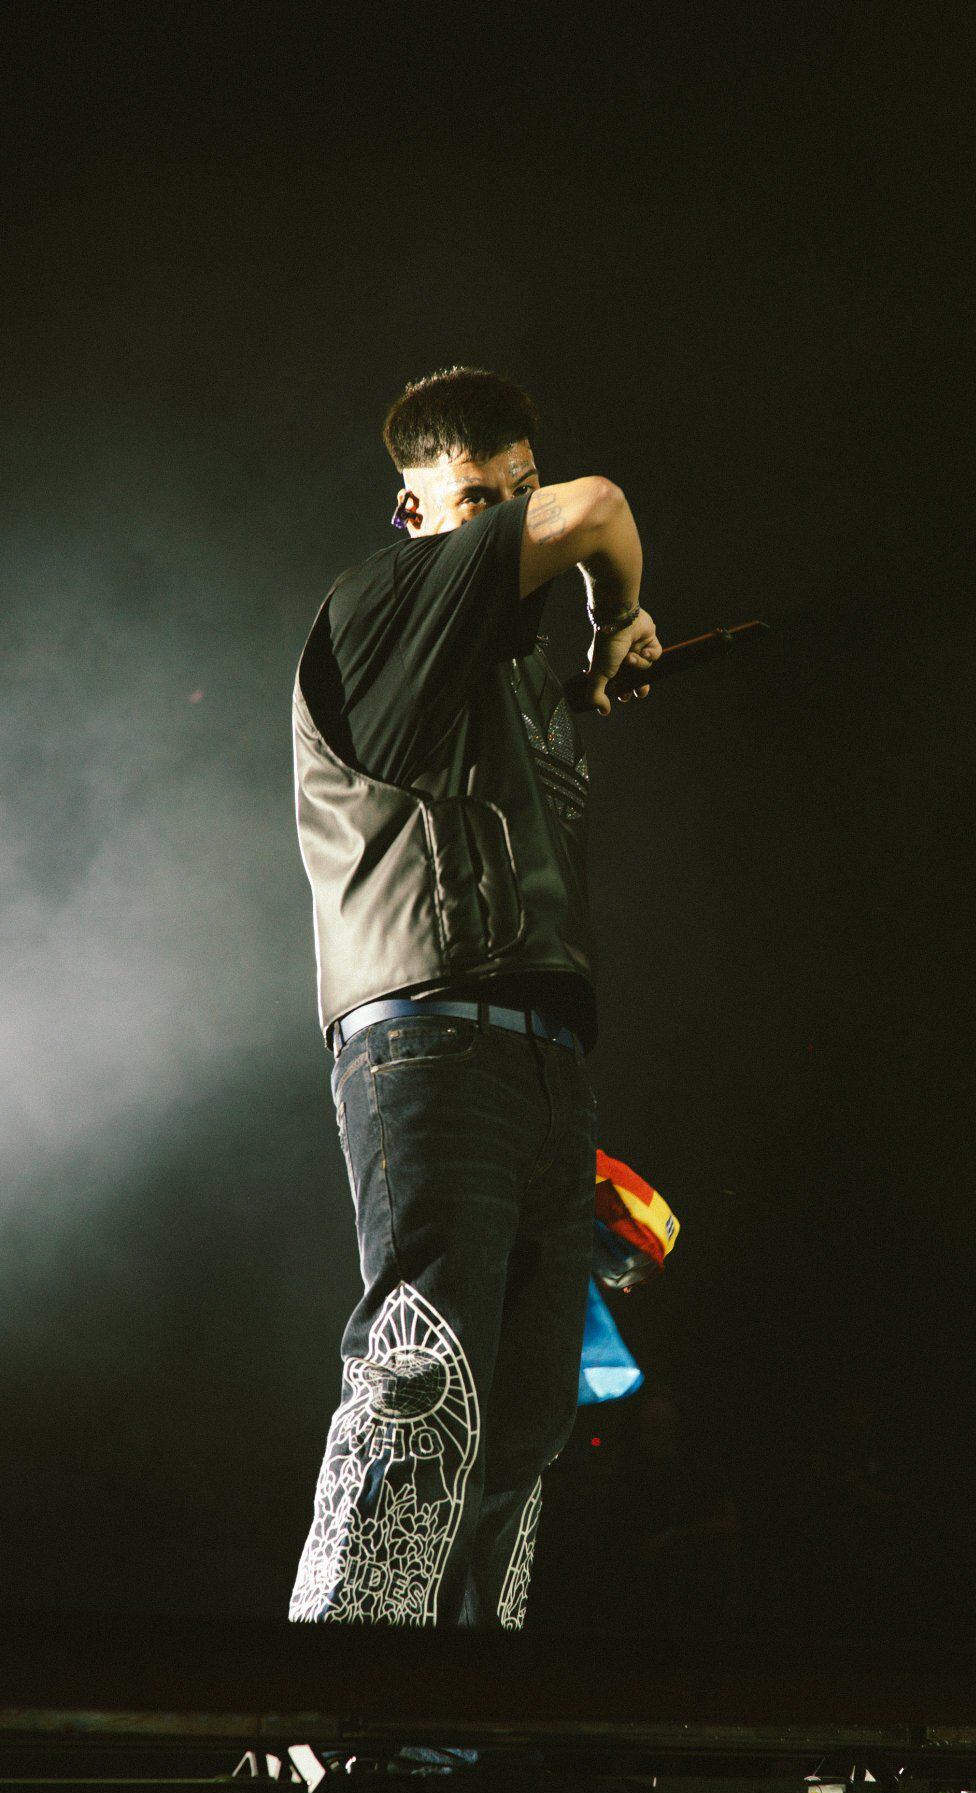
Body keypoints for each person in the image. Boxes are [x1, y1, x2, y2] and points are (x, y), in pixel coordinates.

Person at [288, 366, 660, 1628]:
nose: (503, 520)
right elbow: (599, 507)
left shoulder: (514, 686)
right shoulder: (383, 608)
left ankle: (451, 1726)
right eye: (472, 501)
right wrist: (619, 610)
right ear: (412, 514)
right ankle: (321, 1724)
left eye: (515, 493)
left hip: (543, 1055)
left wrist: (594, 666)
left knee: (529, 1413)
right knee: (422, 1378)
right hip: (428, 1043)